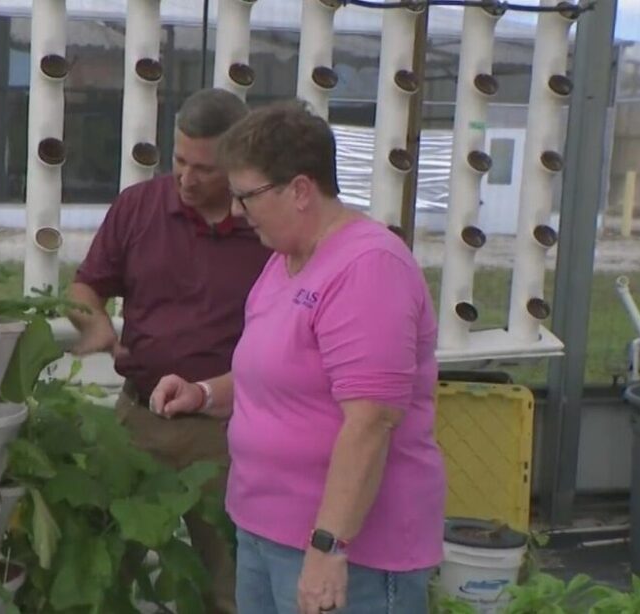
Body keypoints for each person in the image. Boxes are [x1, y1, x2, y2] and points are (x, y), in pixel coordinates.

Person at [149, 100, 446, 614]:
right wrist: (202, 394)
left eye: (247, 196)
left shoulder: (369, 268)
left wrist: (329, 546)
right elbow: (274, 376)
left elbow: (371, 421)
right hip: (265, 531)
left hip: (345, 554)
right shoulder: (284, 260)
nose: (237, 212)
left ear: (301, 190)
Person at [67, 88, 273, 614]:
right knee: (107, 571)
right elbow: (86, 287)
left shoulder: (265, 227)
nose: (186, 178)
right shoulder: (139, 206)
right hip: (139, 420)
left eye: (204, 168)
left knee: (228, 584)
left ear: (238, 162)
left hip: (227, 431)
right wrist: (95, 325)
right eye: (180, 160)